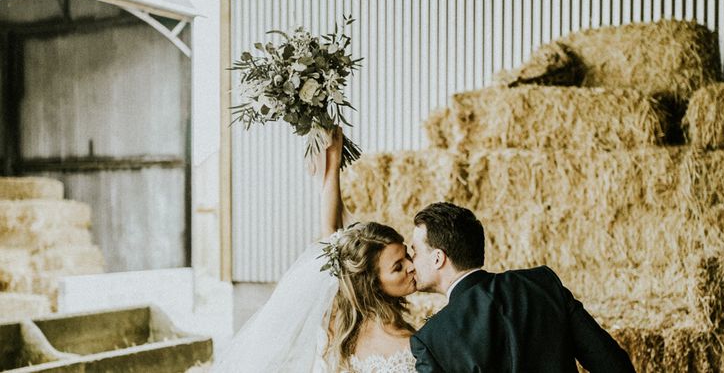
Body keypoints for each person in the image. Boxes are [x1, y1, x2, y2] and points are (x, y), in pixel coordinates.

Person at [213, 128, 418, 372]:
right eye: (398, 267)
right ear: (370, 282)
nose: (411, 265)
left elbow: (331, 234)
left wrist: (333, 164)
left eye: (406, 254)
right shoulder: (407, 343)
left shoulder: (340, 323)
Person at [408, 202, 636, 373]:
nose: (411, 262)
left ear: (438, 258)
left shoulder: (431, 340)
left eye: (415, 252)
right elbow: (614, 366)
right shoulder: (542, 284)